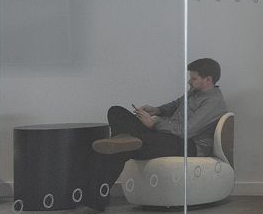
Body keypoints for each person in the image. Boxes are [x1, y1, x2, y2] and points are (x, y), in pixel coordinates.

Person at [95, 57, 227, 160]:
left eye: (193, 78)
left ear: (208, 80)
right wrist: (157, 110)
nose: (189, 82)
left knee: (131, 145)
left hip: (188, 145)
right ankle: (125, 142)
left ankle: (121, 142)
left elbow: (186, 131)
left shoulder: (213, 102)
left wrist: (154, 123)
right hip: (167, 135)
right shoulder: (194, 91)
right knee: (116, 112)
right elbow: (176, 104)